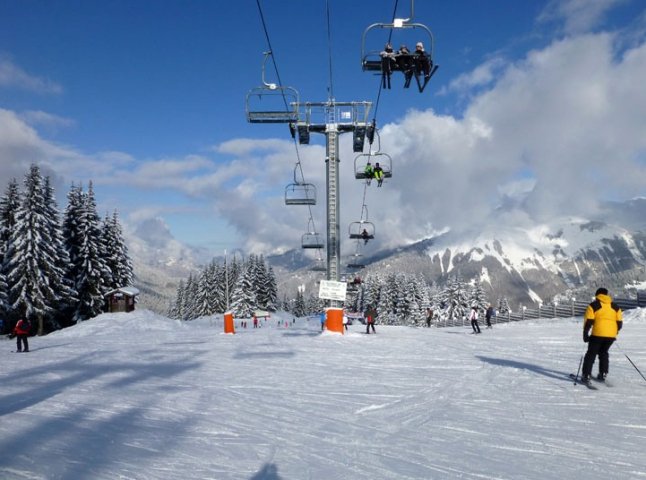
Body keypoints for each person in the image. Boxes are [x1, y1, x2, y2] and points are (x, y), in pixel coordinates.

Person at [581, 287, 623, 384]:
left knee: (591, 354)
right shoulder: (615, 307)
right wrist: (614, 332)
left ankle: (586, 375)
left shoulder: (593, 306)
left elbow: (588, 321)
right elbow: (619, 323)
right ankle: (603, 373)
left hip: (597, 334)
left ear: (597, 295)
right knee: (603, 353)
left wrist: (585, 334)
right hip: (611, 336)